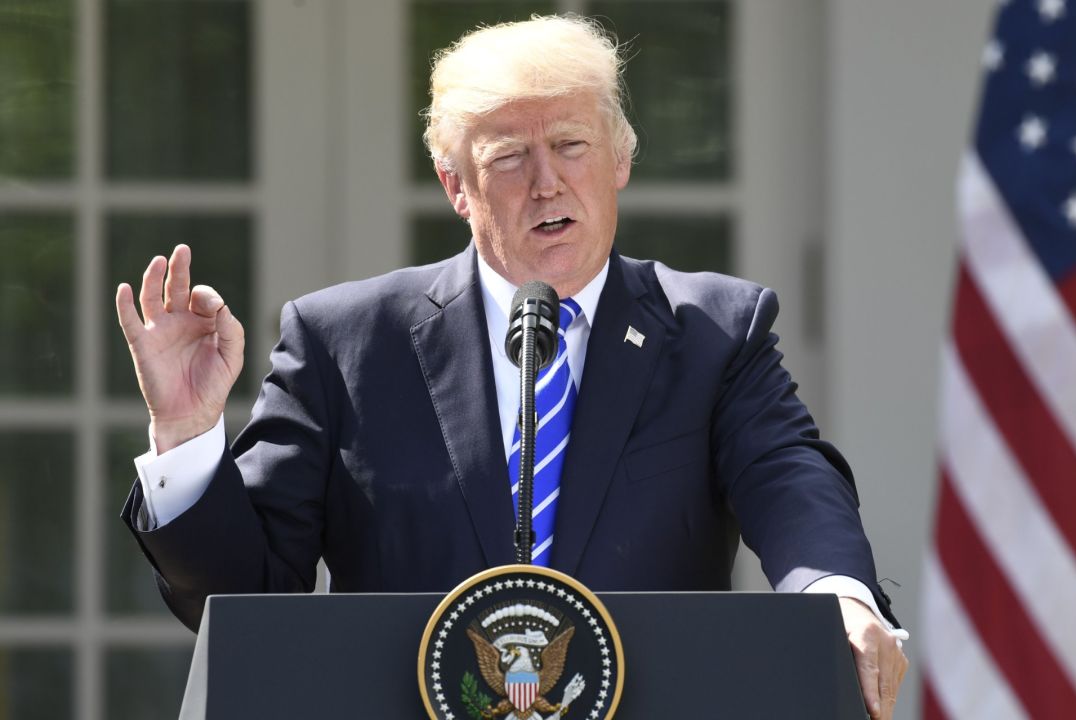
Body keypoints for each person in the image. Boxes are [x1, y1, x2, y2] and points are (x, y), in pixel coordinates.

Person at [115, 15, 908, 718]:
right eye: (509, 158)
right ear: (456, 187)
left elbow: (789, 476)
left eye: (571, 146)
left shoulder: (714, 332)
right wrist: (186, 433)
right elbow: (244, 599)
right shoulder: (345, 341)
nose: (547, 181)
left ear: (621, 160)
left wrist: (832, 594)